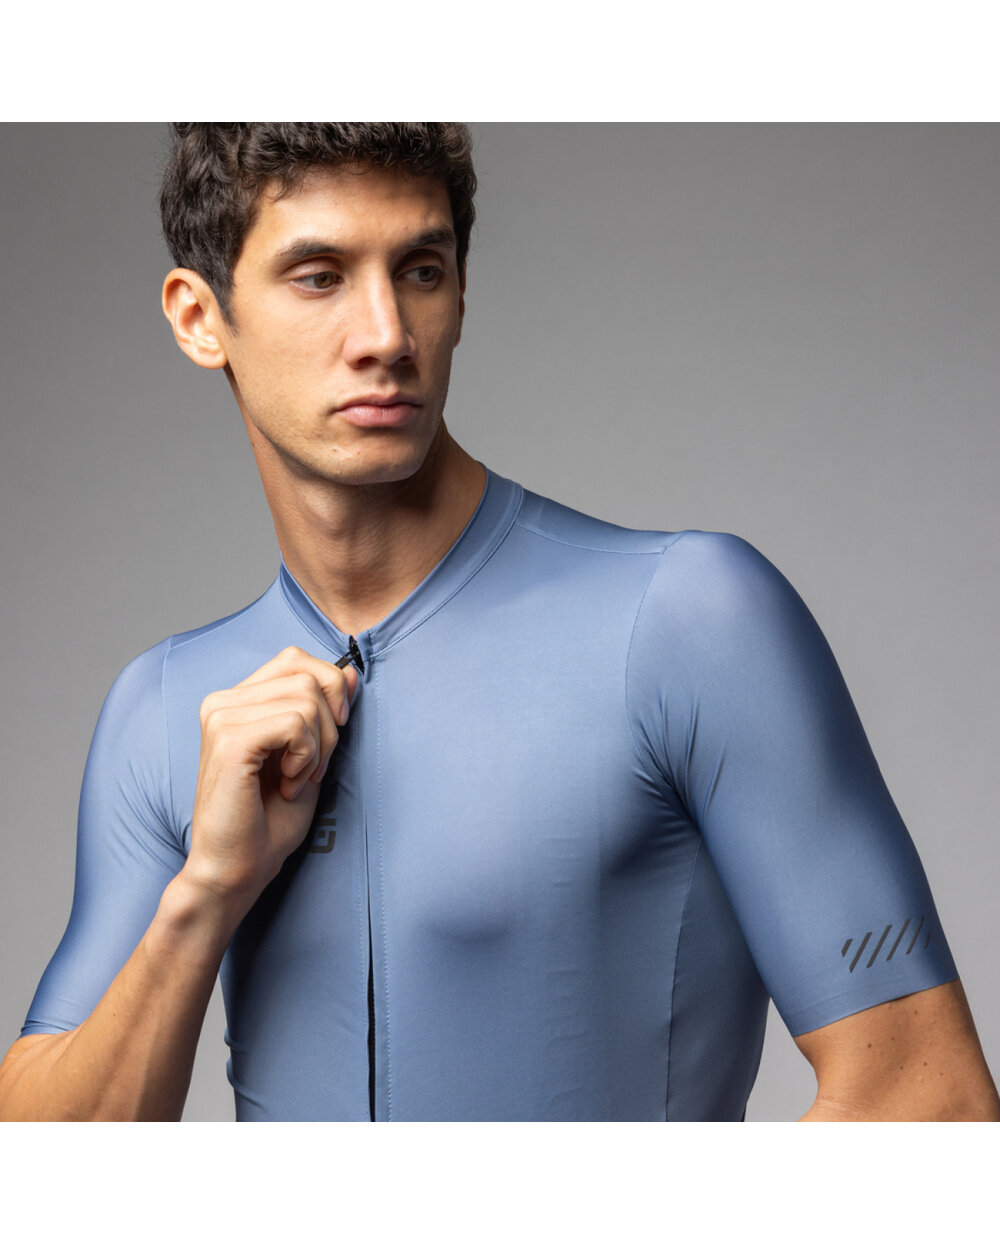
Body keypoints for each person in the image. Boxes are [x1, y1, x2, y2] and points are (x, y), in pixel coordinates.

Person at [0, 123, 996, 1122]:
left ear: (462, 295)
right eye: (319, 277)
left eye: (420, 270)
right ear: (199, 317)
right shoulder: (166, 708)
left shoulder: (687, 622)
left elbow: (930, 1098)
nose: (386, 334)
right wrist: (207, 891)